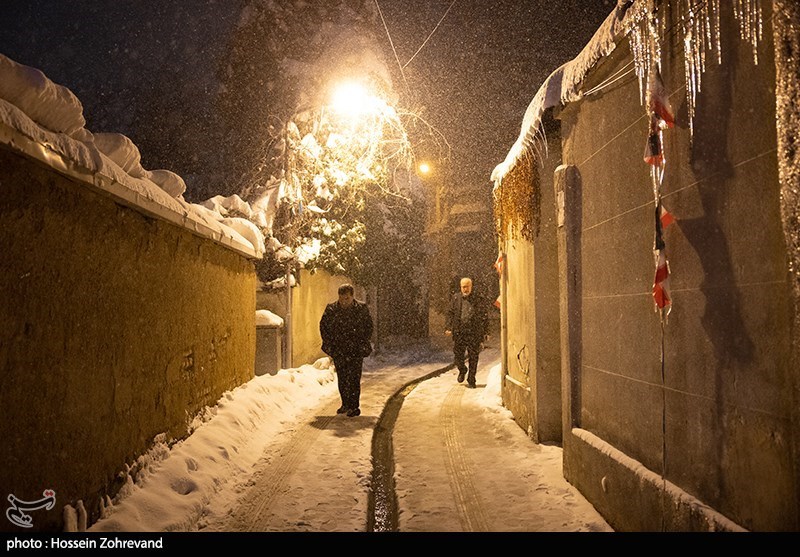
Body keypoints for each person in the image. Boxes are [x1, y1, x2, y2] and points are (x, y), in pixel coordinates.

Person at [319, 283, 374, 417]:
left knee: (354, 377)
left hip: (356, 349)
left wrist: (362, 341)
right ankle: (345, 403)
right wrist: (330, 343)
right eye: (341, 298)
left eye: (347, 298)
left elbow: (369, 326)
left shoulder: (361, 309)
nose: (344, 301)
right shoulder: (331, 309)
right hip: (339, 349)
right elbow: (323, 326)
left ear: (352, 297)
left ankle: (354, 406)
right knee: (342, 377)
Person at [445, 277, 489, 388]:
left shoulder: (478, 299)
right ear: (460, 287)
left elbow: (484, 316)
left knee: (473, 357)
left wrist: (486, 331)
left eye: (467, 286)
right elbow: (450, 313)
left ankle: (471, 379)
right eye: (463, 287)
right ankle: (462, 369)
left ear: (471, 286)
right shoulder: (456, 298)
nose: (465, 289)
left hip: (474, 333)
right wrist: (448, 327)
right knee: (458, 356)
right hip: (459, 333)